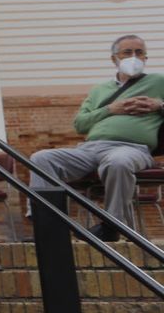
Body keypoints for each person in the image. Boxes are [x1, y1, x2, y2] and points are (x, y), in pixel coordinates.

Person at [29, 35, 164, 238]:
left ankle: (112, 225)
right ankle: (46, 222)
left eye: (139, 52)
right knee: (41, 158)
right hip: (90, 149)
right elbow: (80, 124)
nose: (134, 57)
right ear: (114, 59)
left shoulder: (158, 82)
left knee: (118, 162)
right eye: (127, 52)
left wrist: (159, 105)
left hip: (131, 149)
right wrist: (111, 109)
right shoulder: (100, 90)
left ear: (145, 58)